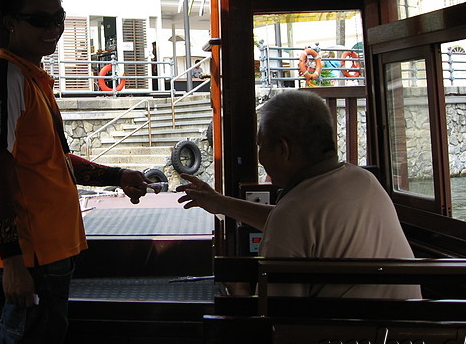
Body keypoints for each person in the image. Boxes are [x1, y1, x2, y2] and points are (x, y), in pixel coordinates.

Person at [0, 0, 155, 344]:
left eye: (59, 18)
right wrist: (13, 262)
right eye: (40, 19)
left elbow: (54, 162)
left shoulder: (32, 80)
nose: (53, 28)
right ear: (11, 23)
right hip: (31, 258)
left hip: (51, 253)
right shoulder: (6, 80)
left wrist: (116, 176)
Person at [178, 89, 420, 299]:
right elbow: (303, 223)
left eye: (261, 146)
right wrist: (219, 202)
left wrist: (241, 293)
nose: (260, 158)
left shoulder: (294, 213)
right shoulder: (364, 181)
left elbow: (277, 317)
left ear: (283, 149)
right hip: (407, 341)